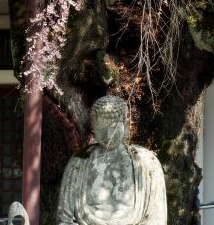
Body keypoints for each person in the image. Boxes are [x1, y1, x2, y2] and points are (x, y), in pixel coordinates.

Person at [56, 95, 167, 225]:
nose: (108, 135)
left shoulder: (147, 163)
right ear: (93, 128)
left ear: (125, 125)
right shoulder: (79, 162)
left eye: (114, 127)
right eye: (101, 129)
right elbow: (63, 219)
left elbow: (157, 219)